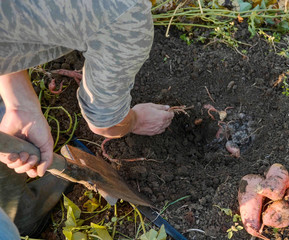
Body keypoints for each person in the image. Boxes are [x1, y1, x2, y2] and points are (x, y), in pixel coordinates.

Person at [0, 0, 174, 238]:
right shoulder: (123, 14)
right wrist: (133, 121)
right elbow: (105, 122)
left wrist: (19, 105)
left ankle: (19, 210)